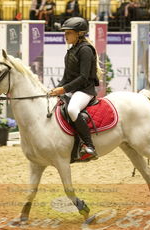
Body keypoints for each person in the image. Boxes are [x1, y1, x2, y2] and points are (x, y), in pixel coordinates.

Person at [49, 17, 103, 159]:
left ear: (79, 33)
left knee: (72, 109)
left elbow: (84, 77)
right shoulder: (71, 51)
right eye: (65, 33)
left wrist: (64, 89)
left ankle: (89, 145)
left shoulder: (85, 50)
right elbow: (67, 77)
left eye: (68, 33)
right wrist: (56, 88)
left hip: (85, 90)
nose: (65, 36)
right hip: (74, 90)